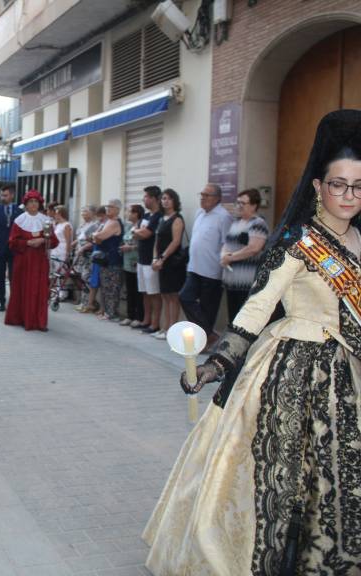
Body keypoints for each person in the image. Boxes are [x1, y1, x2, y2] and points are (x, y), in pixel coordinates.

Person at [144, 109, 361, 575]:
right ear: (319, 187)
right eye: (338, 184)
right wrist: (215, 366)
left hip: (348, 374)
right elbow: (255, 311)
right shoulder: (299, 242)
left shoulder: (360, 240)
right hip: (290, 373)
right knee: (282, 477)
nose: (348, 195)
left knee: (338, 478)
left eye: (358, 185)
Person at [179, 183, 233, 349]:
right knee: (185, 297)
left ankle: (203, 342)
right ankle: (210, 334)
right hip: (194, 267)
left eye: (207, 195)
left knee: (208, 309)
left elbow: (227, 243)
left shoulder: (223, 216)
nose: (202, 198)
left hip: (212, 271)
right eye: (201, 194)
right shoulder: (199, 213)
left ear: (217, 198)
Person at [5, 189, 58, 331]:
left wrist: (42, 240)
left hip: (40, 261)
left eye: (36, 202)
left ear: (39, 204)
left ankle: (39, 322)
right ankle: (21, 318)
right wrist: (27, 243)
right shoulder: (19, 221)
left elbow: (54, 241)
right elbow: (12, 243)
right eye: (30, 202)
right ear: (26, 204)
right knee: (22, 289)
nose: (33, 204)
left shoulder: (46, 221)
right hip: (23, 261)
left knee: (39, 291)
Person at [221, 188, 269, 320]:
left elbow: (254, 248)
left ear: (254, 205)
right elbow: (227, 242)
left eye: (243, 203)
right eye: (238, 203)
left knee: (242, 318)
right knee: (233, 317)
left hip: (246, 282)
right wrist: (223, 255)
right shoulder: (236, 222)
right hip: (231, 280)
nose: (239, 206)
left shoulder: (258, 223)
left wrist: (230, 258)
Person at [151, 189, 186, 340]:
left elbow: (176, 241)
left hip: (172, 262)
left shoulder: (177, 219)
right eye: (163, 198)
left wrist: (162, 258)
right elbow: (157, 241)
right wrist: (154, 259)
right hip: (160, 261)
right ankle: (165, 327)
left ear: (174, 201)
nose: (165, 201)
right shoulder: (161, 219)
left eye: (169, 199)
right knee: (165, 295)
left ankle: (172, 329)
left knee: (173, 296)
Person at [132, 186, 163, 334]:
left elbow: (145, 234)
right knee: (144, 292)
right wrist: (137, 232)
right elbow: (137, 232)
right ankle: (146, 319)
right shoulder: (146, 215)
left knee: (154, 293)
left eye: (146, 197)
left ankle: (155, 323)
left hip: (151, 260)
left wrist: (137, 232)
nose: (144, 199)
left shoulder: (158, 216)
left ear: (154, 198)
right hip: (141, 258)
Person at [0, 185, 22, 311]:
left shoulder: (19, 211)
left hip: (14, 249)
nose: (3, 198)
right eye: (2, 195)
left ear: (12, 195)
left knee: (13, 276)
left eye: (6, 195)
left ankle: (14, 301)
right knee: (0, 276)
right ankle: (2, 301)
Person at [91, 200, 124, 321]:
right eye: (107, 206)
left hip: (113, 259)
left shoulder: (115, 223)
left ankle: (111, 312)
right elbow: (95, 238)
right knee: (104, 287)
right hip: (104, 259)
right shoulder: (107, 221)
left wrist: (97, 235)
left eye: (111, 207)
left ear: (117, 209)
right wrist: (97, 235)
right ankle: (105, 311)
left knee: (112, 287)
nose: (108, 208)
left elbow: (99, 236)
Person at [119, 204, 145, 326]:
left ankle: (139, 317)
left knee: (138, 291)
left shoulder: (142, 226)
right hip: (127, 262)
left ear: (136, 213)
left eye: (129, 212)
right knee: (129, 290)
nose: (127, 214)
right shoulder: (129, 226)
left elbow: (143, 244)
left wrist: (130, 247)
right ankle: (130, 315)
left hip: (136, 261)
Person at [73, 204, 100, 311]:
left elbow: (93, 241)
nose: (83, 213)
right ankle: (84, 301)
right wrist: (74, 243)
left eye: (86, 211)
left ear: (93, 213)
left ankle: (88, 302)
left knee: (86, 277)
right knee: (81, 278)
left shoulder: (95, 225)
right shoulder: (83, 225)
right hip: (80, 254)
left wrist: (83, 248)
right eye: (82, 211)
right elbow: (80, 238)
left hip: (88, 254)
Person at [49, 205, 73, 299]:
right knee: (55, 272)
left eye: (57, 213)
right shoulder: (58, 224)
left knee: (62, 272)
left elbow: (68, 240)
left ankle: (63, 293)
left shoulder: (67, 225)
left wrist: (67, 253)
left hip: (62, 249)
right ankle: (55, 291)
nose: (55, 215)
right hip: (55, 249)